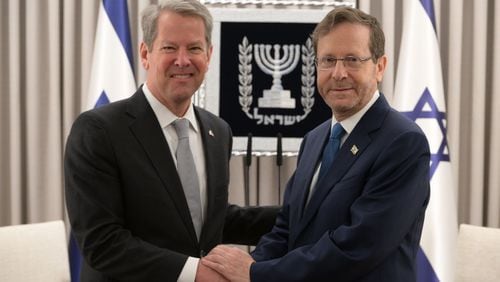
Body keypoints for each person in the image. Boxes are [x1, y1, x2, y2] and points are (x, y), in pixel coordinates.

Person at [201, 6, 431, 282]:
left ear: (379, 67)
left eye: (352, 60)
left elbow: (358, 247)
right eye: (328, 60)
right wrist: (248, 265)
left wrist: (255, 273)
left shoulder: (403, 142)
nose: (338, 73)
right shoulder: (315, 138)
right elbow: (288, 228)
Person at [64, 1, 277, 281]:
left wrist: (303, 212)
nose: (183, 60)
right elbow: (102, 242)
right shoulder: (98, 131)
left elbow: (204, 220)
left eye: (194, 48)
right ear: (145, 53)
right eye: (169, 47)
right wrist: (195, 272)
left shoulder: (218, 131)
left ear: (209, 54)